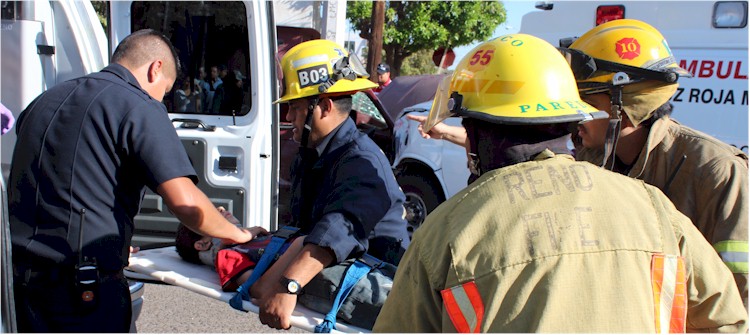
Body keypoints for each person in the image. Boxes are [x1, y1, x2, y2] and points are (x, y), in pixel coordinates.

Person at [372, 34, 747, 332]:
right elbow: (729, 318)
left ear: (472, 131)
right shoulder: (653, 207)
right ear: (570, 120)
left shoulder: (446, 232)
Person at [7, 29, 256, 333]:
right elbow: (186, 202)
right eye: (165, 91)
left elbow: (64, 185)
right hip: (82, 290)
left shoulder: (44, 101)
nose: (161, 99)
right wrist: (237, 234)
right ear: (156, 69)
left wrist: (110, 237)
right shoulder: (138, 105)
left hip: (19, 281)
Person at [561, 19, 748, 308]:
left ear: (623, 106)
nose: (574, 117)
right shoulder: (588, 161)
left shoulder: (715, 171)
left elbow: (739, 295)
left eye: (586, 103)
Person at [248, 39, 410, 330]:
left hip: (378, 289)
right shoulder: (315, 154)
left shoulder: (361, 161)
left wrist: (289, 287)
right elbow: (308, 226)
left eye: (295, 108)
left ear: (323, 106)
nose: (288, 117)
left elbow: (340, 226)